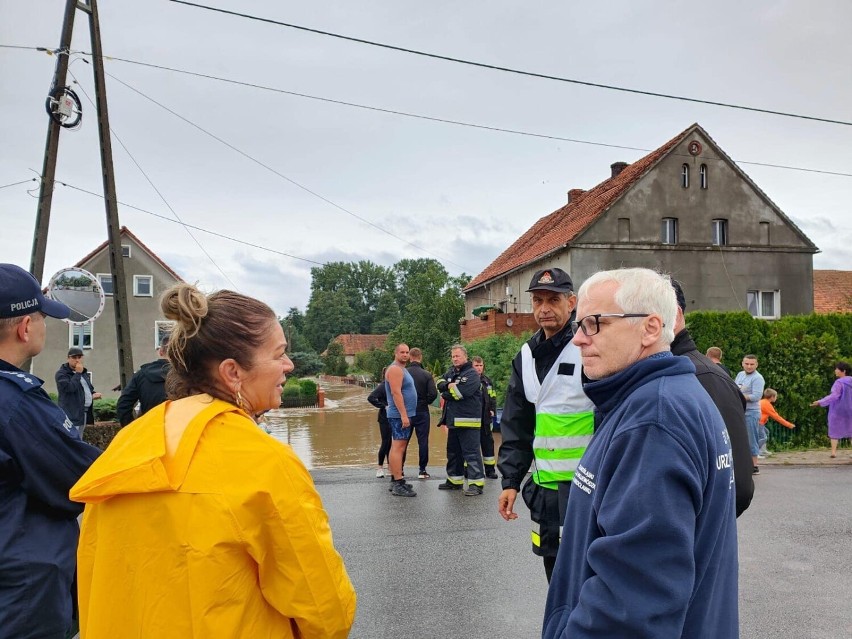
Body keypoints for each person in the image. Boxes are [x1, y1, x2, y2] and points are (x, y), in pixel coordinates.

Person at [70, 283, 356, 638]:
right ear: (233, 372)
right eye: (279, 353)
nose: (289, 365)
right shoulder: (264, 461)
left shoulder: (128, 446)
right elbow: (322, 605)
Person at [542, 268, 738, 639]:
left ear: (650, 327)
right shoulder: (668, 398)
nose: (580, 340)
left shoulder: (653, 421)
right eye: (578, 326)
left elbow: (631, 607)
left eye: (594, 324)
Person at [0, 263, 101, 639]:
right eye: (43, 316)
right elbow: (81, 478)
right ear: (26, 327)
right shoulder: (15, 402)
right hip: (20, 588)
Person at [496, 268, 594, 582]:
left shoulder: (589, 349)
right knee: (554, 571)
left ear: (572, 302)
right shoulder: (525, 356)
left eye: (553, 300)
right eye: (538, 300)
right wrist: (510, 480)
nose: (544, 308)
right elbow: (516, 424)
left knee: (588, 573)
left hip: (587, 489)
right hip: (546, 491)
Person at [671, 281, 753, 516]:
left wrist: (690, 534)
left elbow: (738, 488)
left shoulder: (705, 378)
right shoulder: (650, 374)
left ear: (674, 315)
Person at [436, 345, 485, 496]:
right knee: (453, 453)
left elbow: (459, 393)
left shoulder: (472, 374)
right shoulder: (451, 371)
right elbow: (439, 383)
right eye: (453, 356)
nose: (455, 359)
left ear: (465, 356)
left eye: (457, 356)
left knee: (471, 454)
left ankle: (476, 483)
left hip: (469, 422)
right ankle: (455, 481)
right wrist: (447, 386)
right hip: (453, 421)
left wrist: (446, 393)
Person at [116, 335, 171, 426]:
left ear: (160, 352)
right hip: (182, 432)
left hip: (149, 429)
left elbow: (123, 405)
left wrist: (131, 428)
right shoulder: (189, 376)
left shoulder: (141, 375)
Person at [385, 343, 418, 497]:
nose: (405, 355)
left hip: (403, 414)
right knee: (398, 448)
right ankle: (398, 483)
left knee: (399, 447)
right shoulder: (395, 370)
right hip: (399, 416)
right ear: (396, 353)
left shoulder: (402, 369)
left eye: (407, 352)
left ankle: (397, 479)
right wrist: (404, 415)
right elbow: (396, 393)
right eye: (402, 352)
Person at [55, 346, 102, 438]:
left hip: (83, 413)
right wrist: (78, 374)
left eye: (79, 357)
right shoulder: (62, 374)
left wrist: (92, 394)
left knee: (79, 438)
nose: (77, 360)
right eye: (74, 357)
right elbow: (69, 388)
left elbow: (87, 388)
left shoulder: (83, 373)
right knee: (71, 439)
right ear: (68, 358)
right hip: (71, 413)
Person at [407, 347, 438, 479]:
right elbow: (433, 394)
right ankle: (422, 470)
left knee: (402, 441)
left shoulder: (404, 373)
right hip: (422, 411)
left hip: (406, 411)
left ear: (410, 357)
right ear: (421, 357)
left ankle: (399, 471)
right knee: (423, 441)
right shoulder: (426, 375)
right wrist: (426, 402)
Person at [810, 361, 852, 458]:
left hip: (838, 410)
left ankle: (833, 452)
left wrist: (820, 402)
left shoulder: (839, 382)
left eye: (837, 369)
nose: (835, 370)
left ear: (843, 371)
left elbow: (834, 396)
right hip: (850, 410)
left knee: (834, 429)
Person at [736, 354, 766, 474]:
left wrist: (740, 396)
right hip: (740, 411)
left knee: (751, 438)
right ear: (742, 363)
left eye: (752, 364)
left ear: (756, 365)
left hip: (751, 412)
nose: (749, 366)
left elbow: (756, 396)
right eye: (747, 364)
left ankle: (754, 465)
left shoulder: (758, 378)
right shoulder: (740, 375)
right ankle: (743, 463)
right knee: (740, 438)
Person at [471, 355, 498, 478]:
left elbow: (493, 396)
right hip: (472, 418)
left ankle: (490, 470)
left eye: (481, 365)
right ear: (472, 366)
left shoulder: (487, 381)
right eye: (476, 365)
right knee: (471, 445)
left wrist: (493, 410)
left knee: (488, 444)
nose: (479, 368)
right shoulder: (469, 380)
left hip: (485, 418)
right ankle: (470, 470)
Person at [367, 370, 392, 478]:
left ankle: (391, 467)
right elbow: (371, 398)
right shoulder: (383, 386)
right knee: (386, 442)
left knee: (393, 444)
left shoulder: (396, 385)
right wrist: (383, 406)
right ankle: (380, 468)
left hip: (395, 417)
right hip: (384, 418)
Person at [760, 389, 795, 455]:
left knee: (766, 433)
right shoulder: (767, 404)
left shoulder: (763, 401)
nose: (776, 398)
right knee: (762, 437)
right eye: (776, 396)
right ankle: (756, 452)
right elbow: (776, 417)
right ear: (772, 397)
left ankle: (762, 450)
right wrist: (788, 425)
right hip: (759, 423)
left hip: (759, 422)